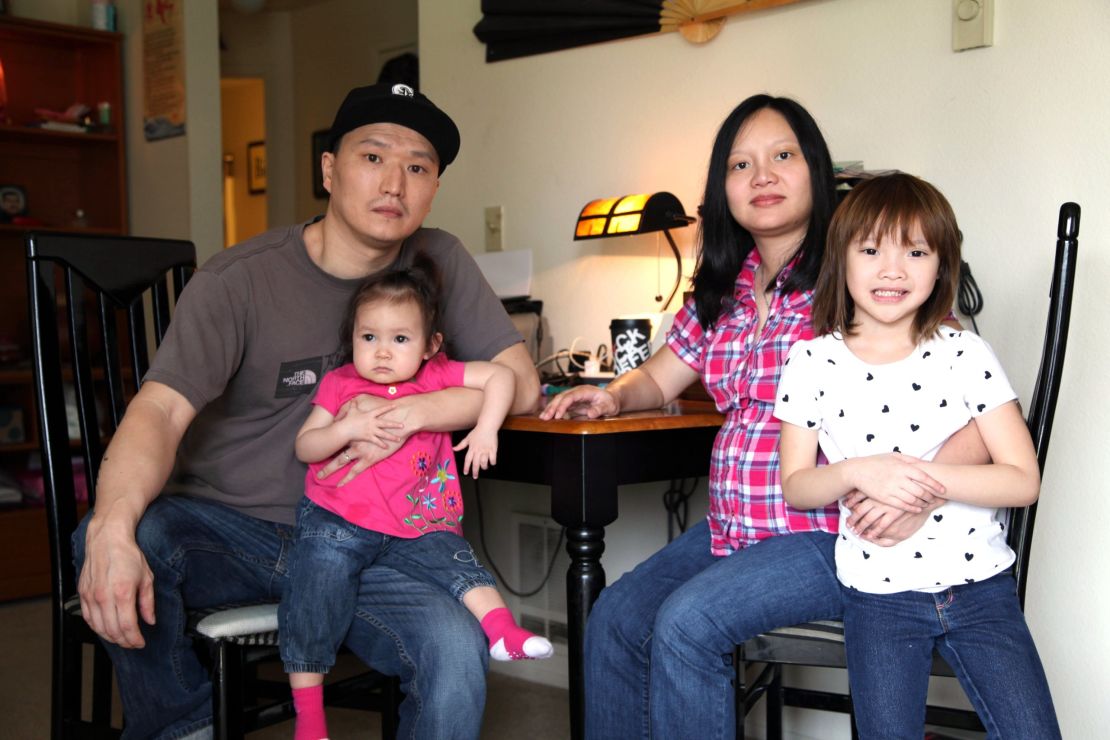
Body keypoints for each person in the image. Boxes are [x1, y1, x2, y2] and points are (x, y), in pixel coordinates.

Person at [73, 82, 541, 740]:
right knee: (122, 532)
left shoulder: (439, 260)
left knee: (457, 652)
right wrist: (110, 533)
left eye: (418, 167)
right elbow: (160, 412)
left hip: (376, 541)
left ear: (433, 187)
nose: (395, 183)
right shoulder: (240, 280)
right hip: (234, 535)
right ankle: (182, 727)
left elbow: (522, 385)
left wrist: (419, 411)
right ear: (329, 169)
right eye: (373, 157)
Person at [540, 94, 987, 738]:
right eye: (740, 165)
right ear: (723, 190)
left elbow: (977, 412)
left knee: (686, 623)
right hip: (732, 529)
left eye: (783, 156)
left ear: (818, 171)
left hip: (832, 532)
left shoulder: (860, 273)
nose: (763, 176)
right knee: (615, 619)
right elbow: (666, 371)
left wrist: (917, 494)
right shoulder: (721, 284)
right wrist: (613, 395)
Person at [776, 173, 1060, 739]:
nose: (893, 269)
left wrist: (920, 477)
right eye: (872, 249)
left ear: (940, 265)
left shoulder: (964, 353)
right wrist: (859, 470)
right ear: (842, 260)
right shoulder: (810, 361)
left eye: (916, 251)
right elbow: (797, 485)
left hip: (981, 590)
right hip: (879, 598)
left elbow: (1022, 479)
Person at [282, 256, 552, 740]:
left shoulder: (437, 377)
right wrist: (347, 426)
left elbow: (502, 377)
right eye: (369, 337)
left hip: (414, 525)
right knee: (314, 586)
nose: (382, 352)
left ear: (431, 347)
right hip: (339, 519)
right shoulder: (342, 383)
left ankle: (503, 632)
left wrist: (487, 428)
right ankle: (310, 715)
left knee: (458, 562)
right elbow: (306, 446)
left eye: (400, 339)